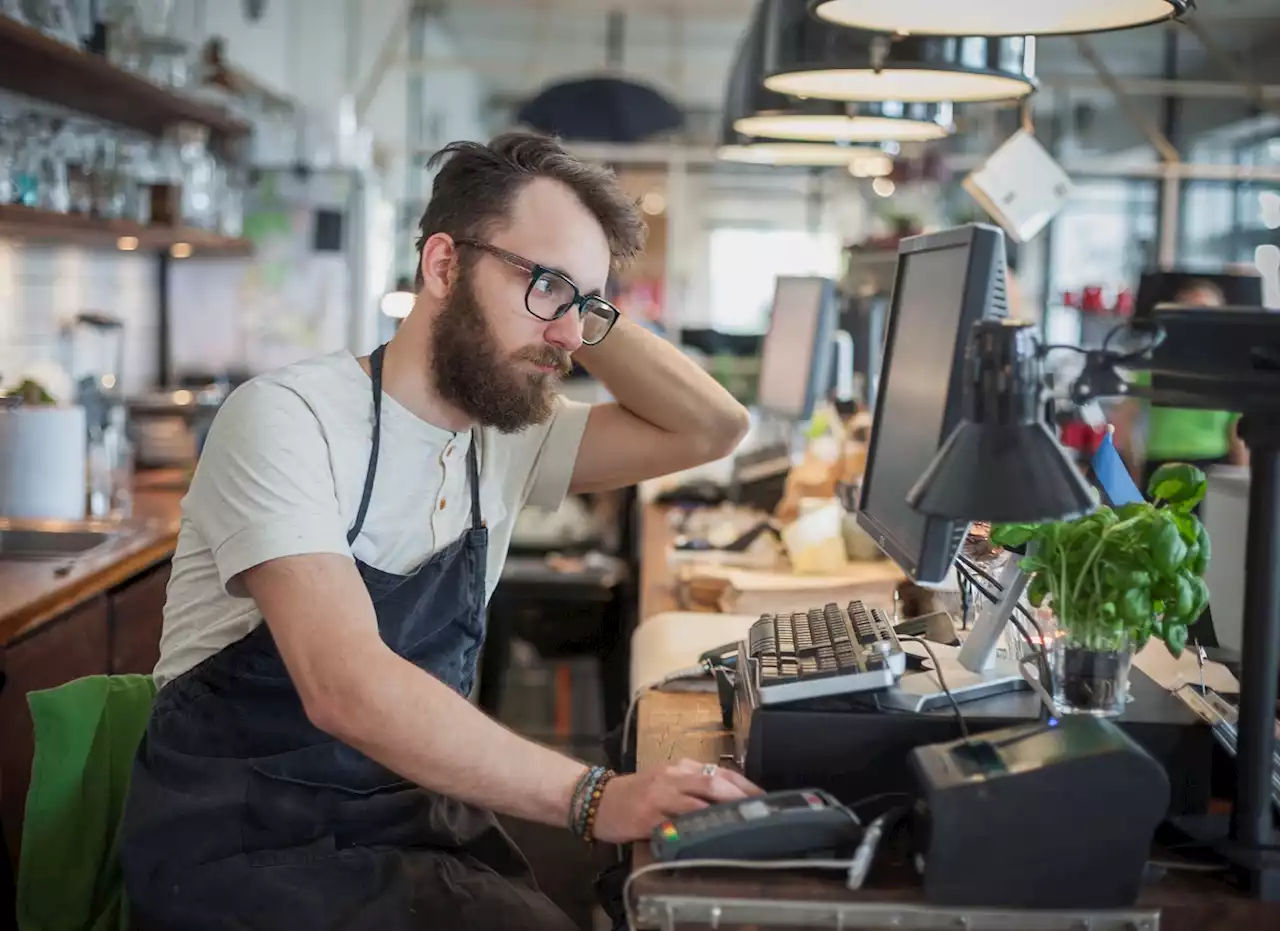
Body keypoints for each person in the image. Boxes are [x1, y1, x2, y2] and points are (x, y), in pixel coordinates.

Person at [121, 132, 758, 931]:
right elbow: (345, 686)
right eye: (547, 287)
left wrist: (583, 303)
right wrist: (591, 794)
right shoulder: (288, 418)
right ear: (444, 265)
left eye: (585, 307)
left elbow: (712, 427)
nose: (568, 337)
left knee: (638, 891)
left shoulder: (508, 435)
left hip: (413, 820)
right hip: (246, 848)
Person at [1112, 278, 1249, 491]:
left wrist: (1242, 480)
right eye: (1190, 309)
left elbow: (1236, 431)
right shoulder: (1156, 363)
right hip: (1161, 465)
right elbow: (1124, 417)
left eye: (1204, 309)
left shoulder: (1228, 369)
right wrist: (1134, 464)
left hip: (1212, 466)